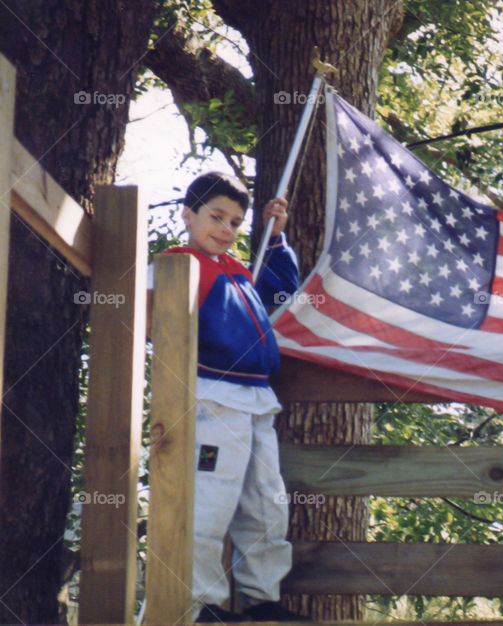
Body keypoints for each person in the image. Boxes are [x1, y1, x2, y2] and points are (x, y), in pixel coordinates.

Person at [147, 172, 309, 622]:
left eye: (236, 222)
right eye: (216, 217)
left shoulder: (238, 269)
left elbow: (281, 292)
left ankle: (263, 601)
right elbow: (148, 316)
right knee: (209, 504)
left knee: (265, 504)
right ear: (189, 213)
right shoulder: (178, 262)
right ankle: (198, 605)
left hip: (257, 399)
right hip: (213, 397)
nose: (226, 229)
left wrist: (275, 239)